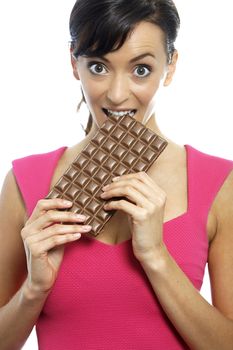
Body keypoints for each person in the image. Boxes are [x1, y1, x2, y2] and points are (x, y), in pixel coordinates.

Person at [0, 0, 233, 349]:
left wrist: (155, 255)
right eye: (98, 67)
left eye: (141, 70)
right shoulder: (25, 182)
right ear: (73, 64)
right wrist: (34, 290)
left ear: (170, 67)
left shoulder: (219, 184)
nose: (117, 94)